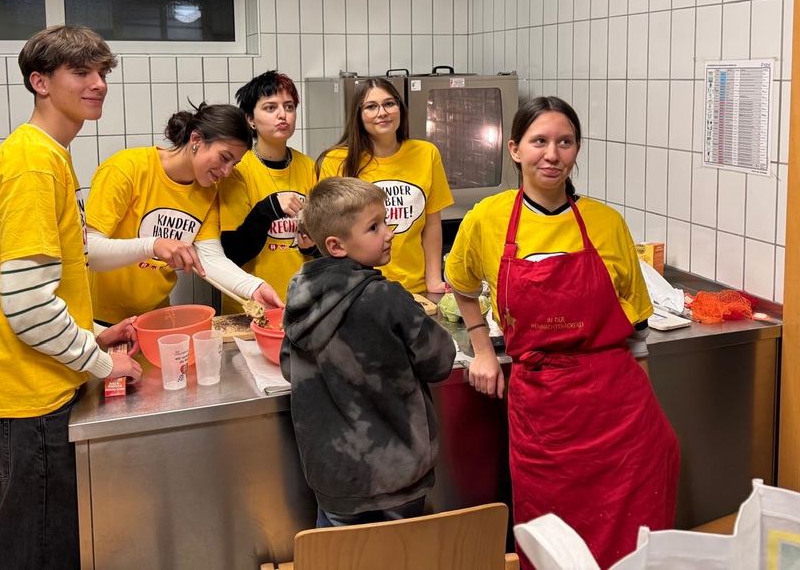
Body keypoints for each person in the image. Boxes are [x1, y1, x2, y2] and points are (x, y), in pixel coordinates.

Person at [445, 96, 680, 569]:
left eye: (565, 142)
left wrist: (645, 408)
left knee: (636, 542)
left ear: (576, 150)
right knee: (551, 540)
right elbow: (462, 286)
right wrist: (482, 351)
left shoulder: (606, 223)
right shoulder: (487, 220)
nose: (552, 154)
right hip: (543, 412)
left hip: (618, 409)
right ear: (515, 149)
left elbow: (635, 331)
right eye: (539, 141)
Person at [0, 25, 143, 570]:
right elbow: (29, 307)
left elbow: (54, 279)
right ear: (39, 82)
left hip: (27, 389)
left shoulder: (49, 154)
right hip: (24, 398)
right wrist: (104, 362)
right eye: (81, 73)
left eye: (102, 73)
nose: (98, 84)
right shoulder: (35, 163)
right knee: (36, 554)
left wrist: (89, 333)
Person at [281, 176, 456, 526]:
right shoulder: (385, 297)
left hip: (334, 478)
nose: (389, 233)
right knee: (395, 557)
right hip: (396, 473)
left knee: (341, 557)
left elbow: (289, 366)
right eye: (374, 227)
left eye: (386, 221)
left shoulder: (300, 293)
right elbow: (440, 360)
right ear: (336, 245)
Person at [86, 102, 282, 324]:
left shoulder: (208, 190)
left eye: (234, 164)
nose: (227, 172)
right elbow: (89, 251)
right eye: (224, 158)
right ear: (196, 139)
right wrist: (153, 245)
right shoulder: (126, 168)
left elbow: (210, 257)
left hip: (152, 318)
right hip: (99, 321)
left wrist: (254, 287)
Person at [317, 78, 453, 294]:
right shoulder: (337, 161)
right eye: (371, 107)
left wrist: (434, 280)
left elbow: (432, 224)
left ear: (400, 108)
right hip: (358, 291)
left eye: (389, 104)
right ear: (358, 115)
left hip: (414, 290)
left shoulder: (427, 154)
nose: (383, 112)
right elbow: (330, 236)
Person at [218, 70, 317, 308]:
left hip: (301, 303)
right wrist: (269, 208)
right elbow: (232, 253)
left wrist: (313, 245)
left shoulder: (309, 166)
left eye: (289, 106)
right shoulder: (236, 170)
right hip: (249, 306)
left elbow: (326, 247)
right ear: (250, 119)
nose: (283, 115)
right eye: (270, 108)